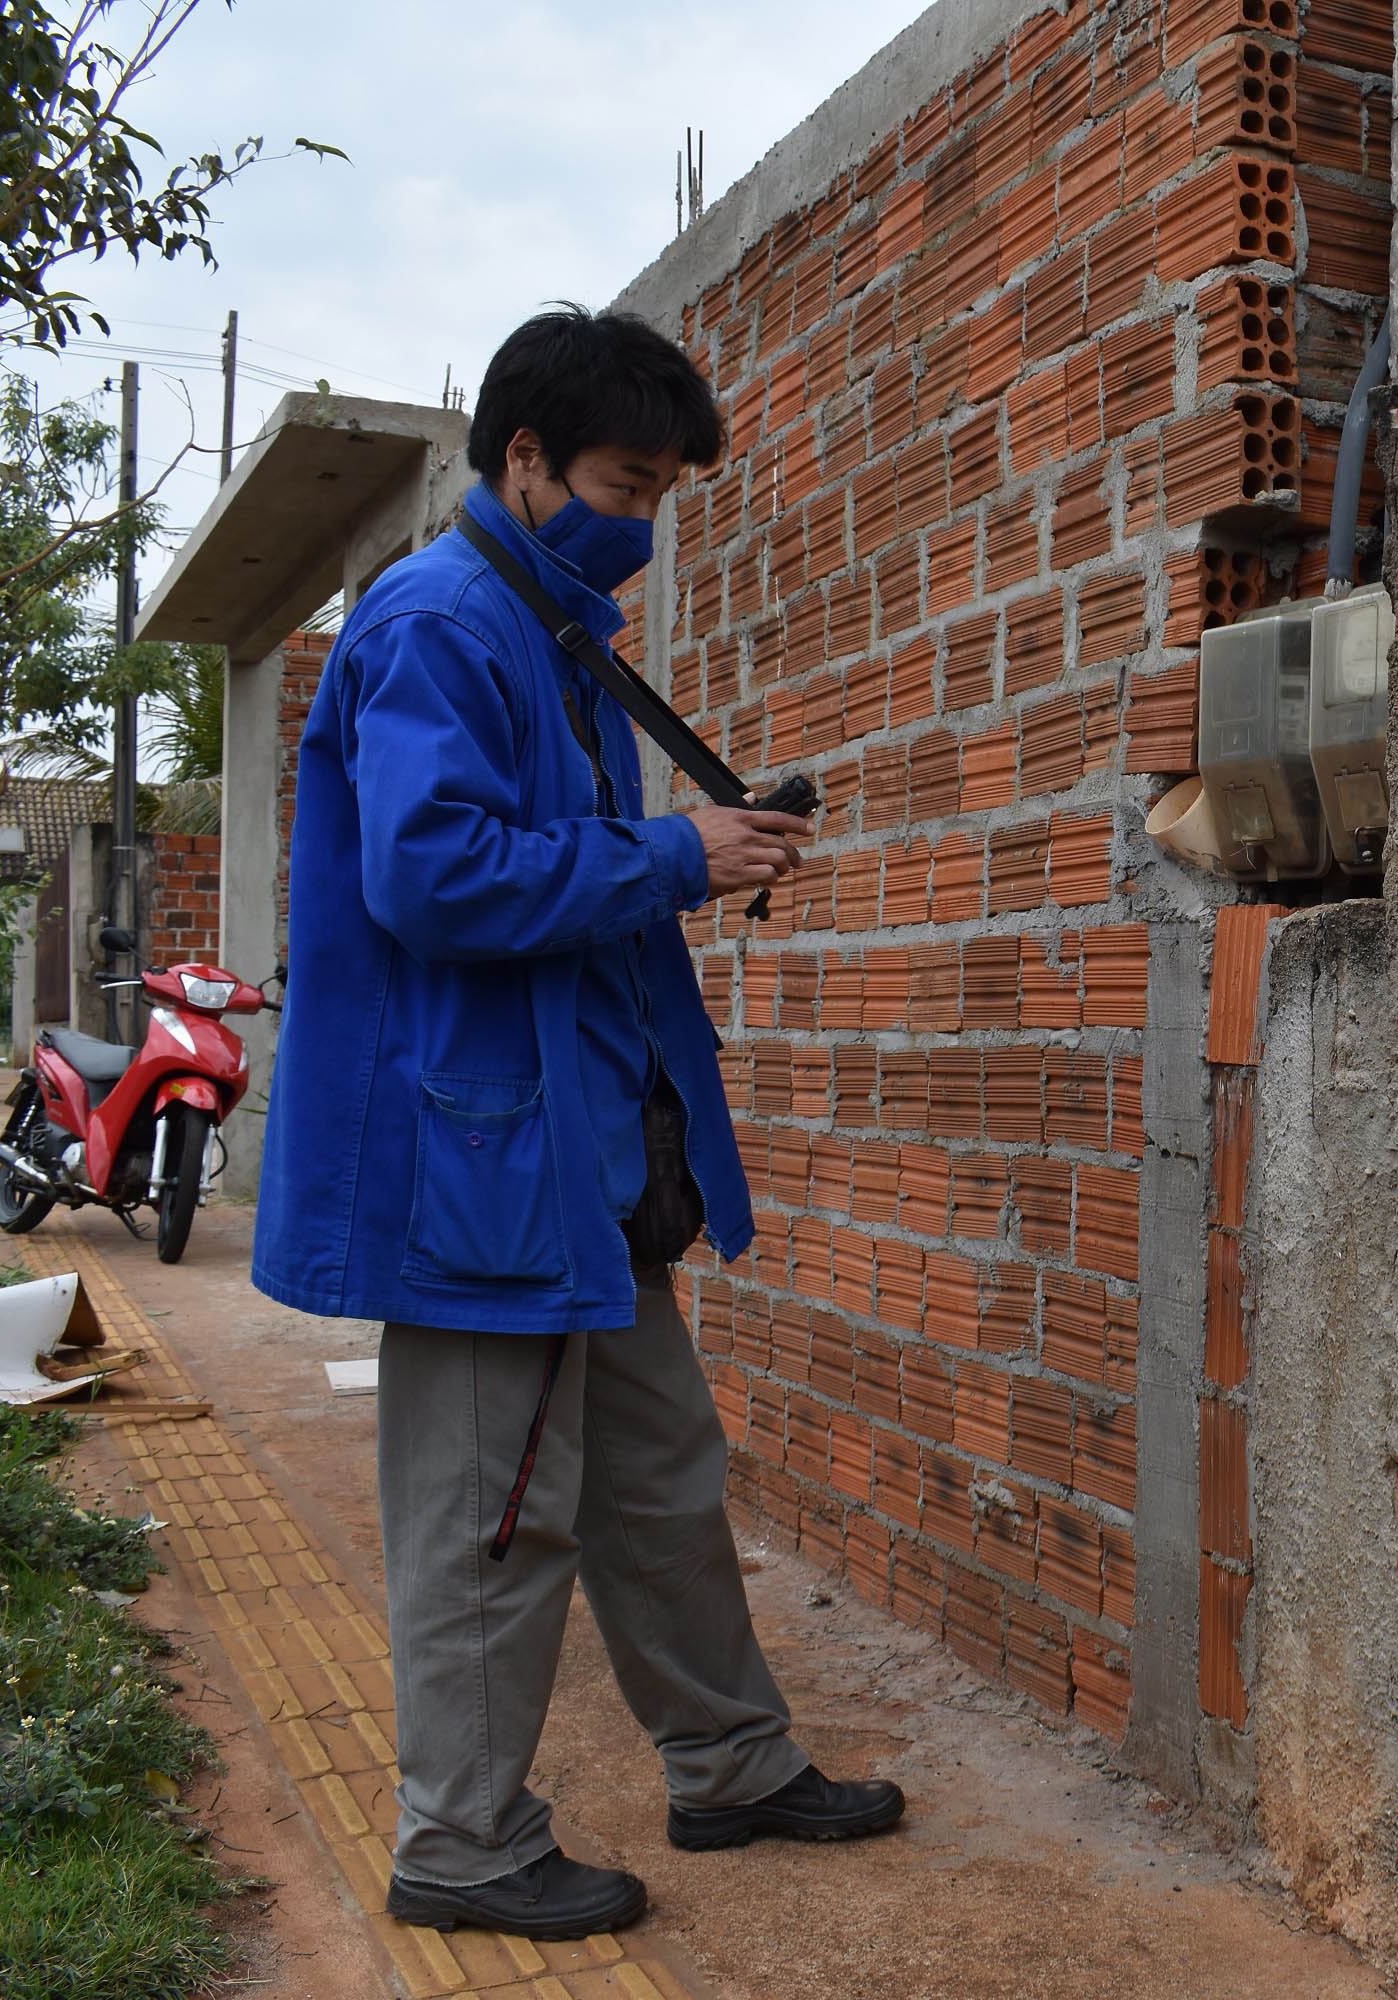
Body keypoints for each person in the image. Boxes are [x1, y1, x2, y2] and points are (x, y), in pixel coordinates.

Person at [253, 306, 902, 1942]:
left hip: (583, 1162)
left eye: (667, 489)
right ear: (525, 457)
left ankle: (731, 1766)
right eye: (626, 478)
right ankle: (463, 1843)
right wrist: (680, 858)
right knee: (493, 1519)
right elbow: (432, 876)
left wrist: (690, 861)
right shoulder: (435, 626)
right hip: (483, 1172)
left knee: (663, 1482)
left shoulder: (551, 630)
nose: (645, 519)